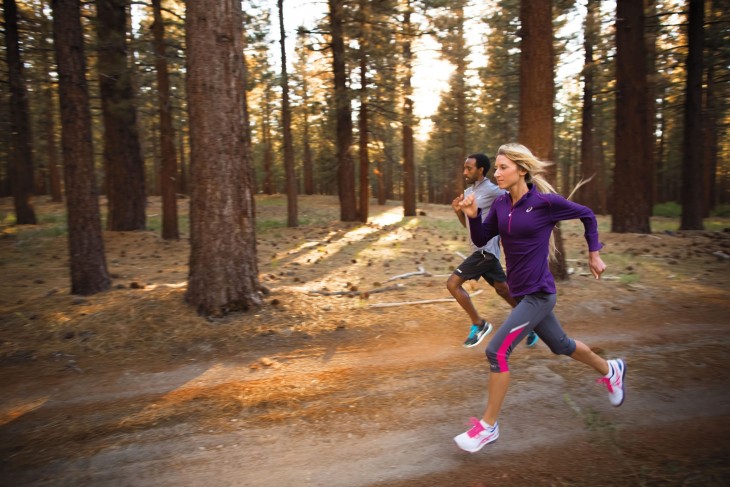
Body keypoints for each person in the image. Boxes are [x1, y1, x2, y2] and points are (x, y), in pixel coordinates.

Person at [453, 143, 626, 453]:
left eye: (503, 167)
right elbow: (481, 239)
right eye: (497, 168)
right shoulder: (502, 206)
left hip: (539, 295)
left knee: (496, 352)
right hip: (522, 294)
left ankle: (488, 427)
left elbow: (587, 215)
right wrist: (473, 215)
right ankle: (610, 369)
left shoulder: (544, 204)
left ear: (521, 169)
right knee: (561, 345)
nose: (498, 173)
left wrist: (594, 254)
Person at [448, 153, 539, 349]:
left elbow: (516, 197)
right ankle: (531, 323)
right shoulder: (469, 191)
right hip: (478, 249)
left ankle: (479, 324)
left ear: (480, 170)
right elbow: (469, 226)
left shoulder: (493, 190)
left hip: (485, 251)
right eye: (464, 168)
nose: (465, 172)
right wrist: (458, 212)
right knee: (503, 290)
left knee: (453, 284)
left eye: (469, 168)